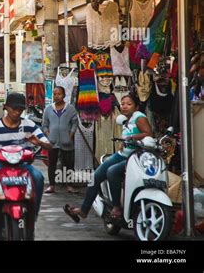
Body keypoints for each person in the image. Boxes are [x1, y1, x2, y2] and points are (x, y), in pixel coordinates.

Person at [64, 94, 153, 222]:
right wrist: (124, 142)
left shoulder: (139, 117)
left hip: (136, 157)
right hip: (123, 155)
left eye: (129, 104)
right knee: (95, 176)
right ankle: (84, 210)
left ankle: (116, 206)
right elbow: (129, 135)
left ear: (136, 106)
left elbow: (148, 134)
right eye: (123, 104)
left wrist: (132, 138)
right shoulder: (125, 119)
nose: (125, 106)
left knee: (112, 172)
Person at [0, 92, 53, 226]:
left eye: (20, 109)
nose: (17, 112)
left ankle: (33, 213)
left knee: (38, 177)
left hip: (23, 165)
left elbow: (48, 144)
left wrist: (39, 142)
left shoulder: (29, 125)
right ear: (5, 107)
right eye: (14, 109)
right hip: (0, 165)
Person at [42, 86, 79, 194]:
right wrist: (49, 135)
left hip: (67, 141)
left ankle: (69, 185)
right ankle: (52, 185)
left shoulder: (70, 108)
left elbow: (74, 123)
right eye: (55, 94)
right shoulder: (48, 109)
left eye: (59, 94)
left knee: (68, 164)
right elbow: (44, 125)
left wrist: (70, 135)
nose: (56, 96)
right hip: (52, 142)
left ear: (64, 95)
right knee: (51, 163)